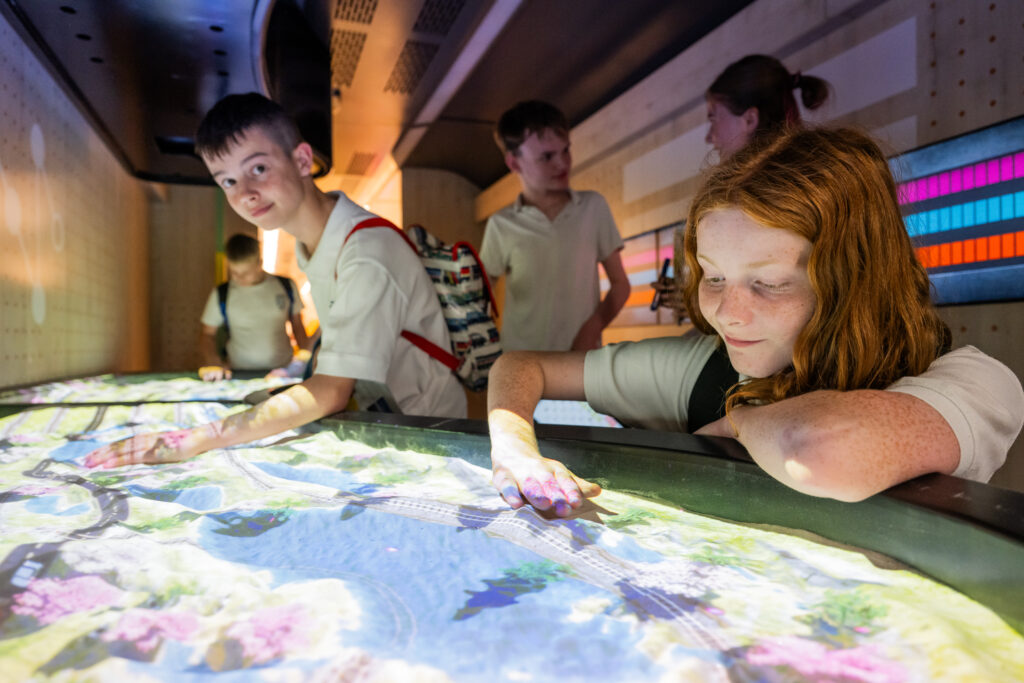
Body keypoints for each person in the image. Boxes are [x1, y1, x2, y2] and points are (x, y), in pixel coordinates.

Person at [486, 126, 1024, 517]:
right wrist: (515, 448)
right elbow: (524, 366)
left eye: (768, 282)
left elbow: (822, 450)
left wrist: (739, 420)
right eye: (714, 277)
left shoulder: (977, 384)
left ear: (856, 279)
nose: (726, 313)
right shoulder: (701, 367)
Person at [85, 93, 466, 469]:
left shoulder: (366, 252)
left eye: (258, 169)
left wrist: (195, 439)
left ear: (302, 160)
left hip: (427, 434)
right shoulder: (313, 243)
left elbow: (332, 391)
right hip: (385, 420)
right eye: (228, 181)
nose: (245, 195)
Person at [654, 54, 831, 317]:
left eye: (713, 118)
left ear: (749, 119)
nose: (709, 137)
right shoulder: (808, 184)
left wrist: (694, 306)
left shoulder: (790, 199)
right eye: (714, 278)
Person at [480, 100, 631, 352]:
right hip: (521, 363)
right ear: (514, 163)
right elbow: (480, 296)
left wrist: (590, 330)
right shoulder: (501, 225)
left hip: (580, 362)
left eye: (566, 150)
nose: (562, 163)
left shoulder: (593, 208)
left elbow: (620, 285)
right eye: (547, 156)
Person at [198, 233, 309, 381]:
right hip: (238, 373)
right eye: (234, 272)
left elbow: (298, 325)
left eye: (245, 273)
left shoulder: (285, 286)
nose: (239, 278)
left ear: (259, 263)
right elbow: (207, 335)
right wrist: (214, 363)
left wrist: (305, 360)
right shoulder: (222, 293)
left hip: (283, 372)